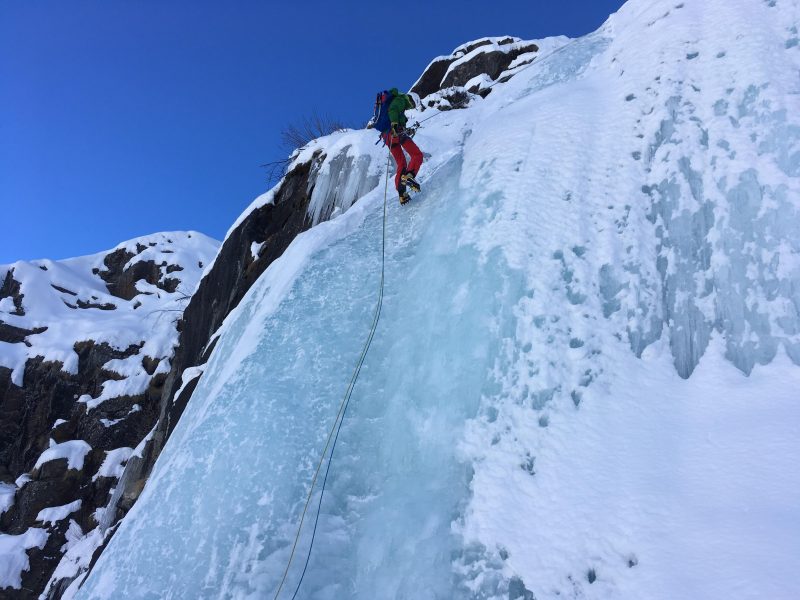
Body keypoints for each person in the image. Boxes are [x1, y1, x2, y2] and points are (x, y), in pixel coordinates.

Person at [372, 88, 423, 204]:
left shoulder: (399, 105)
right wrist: (395, 125)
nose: (411, 107)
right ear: (411, 99)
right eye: (413, 104)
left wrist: (402, 127)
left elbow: (394, 113)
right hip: (395, 133)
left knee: (401, 163)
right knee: (417, 155)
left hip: (387, 138)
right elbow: (393, 109)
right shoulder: (401, 99)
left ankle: (402, 193)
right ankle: (409, 176)